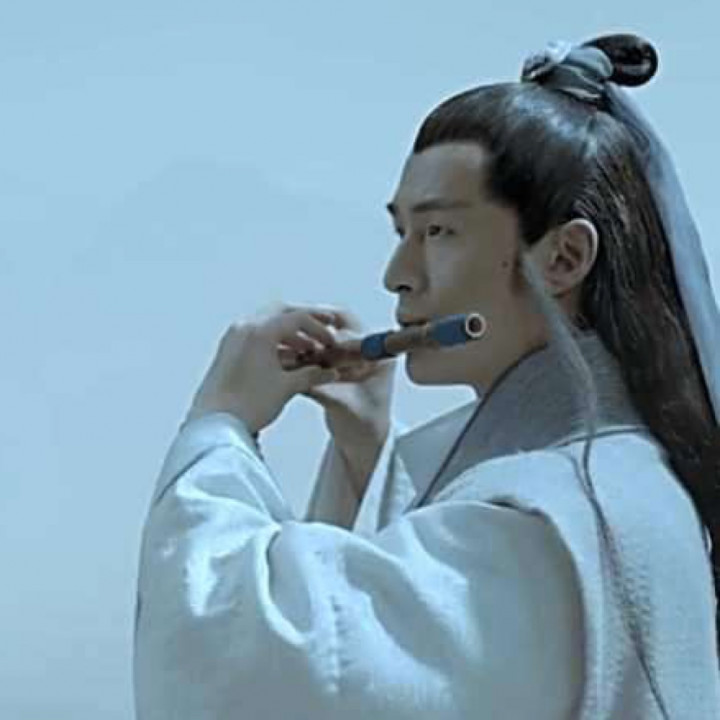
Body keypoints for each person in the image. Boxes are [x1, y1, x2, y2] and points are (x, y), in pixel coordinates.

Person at [133, 33, 720, 719]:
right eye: (401, 234)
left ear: (563, 258)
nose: (398, 276)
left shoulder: (550, 517)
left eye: (439, 232)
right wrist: (366, 451)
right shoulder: (613, 476)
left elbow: (252, 665)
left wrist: (221, 423)